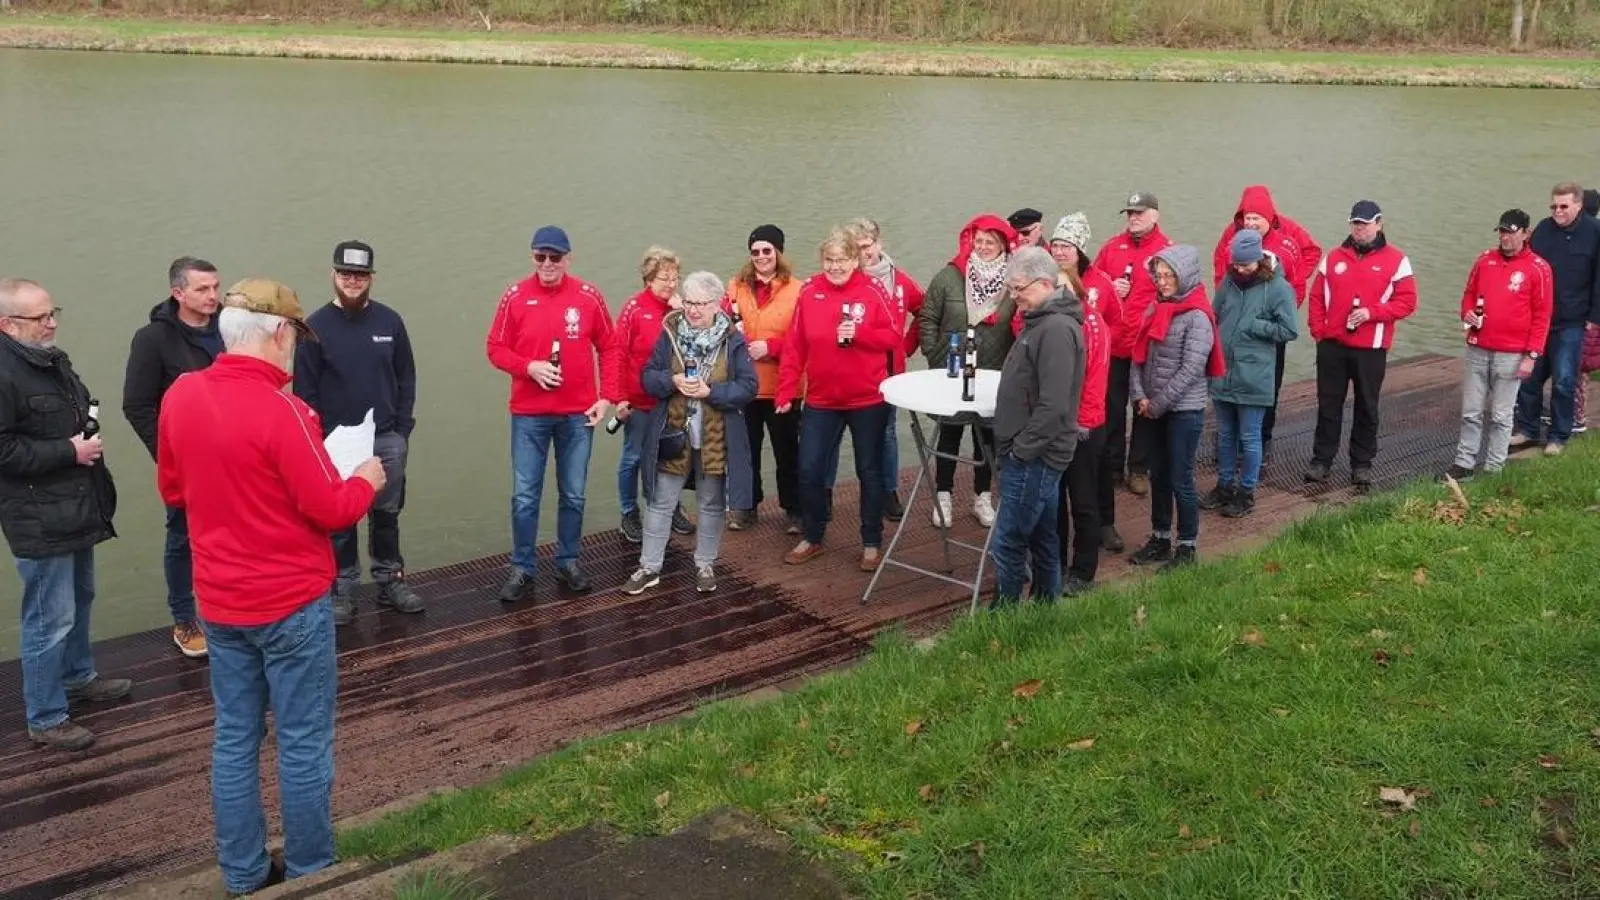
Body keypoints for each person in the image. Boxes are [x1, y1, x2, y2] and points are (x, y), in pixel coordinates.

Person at [158, 278, 383, 897]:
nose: (293, 353)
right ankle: (312, 871)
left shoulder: (181, 395)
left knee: (234, 737)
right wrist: (366, 478)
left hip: (221, 606)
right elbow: (331, 508)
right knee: (303, 743)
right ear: (280, 334)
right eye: (293, 339)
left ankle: (243, 873)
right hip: (290, 605)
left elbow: (173, 492)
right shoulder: (285, 410)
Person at [0, 278, 128, 752]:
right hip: (38, 515)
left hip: (75, 504)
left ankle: (78, 678)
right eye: (40, 318)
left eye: (54, 312)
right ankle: (46, 716)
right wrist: (67, 451)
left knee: (81, 596)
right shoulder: (4, 372)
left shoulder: (51, 360)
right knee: (47, 617)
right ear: (7, 324)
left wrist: (82, 434)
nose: (52, 323)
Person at [294, 240, 422, 625]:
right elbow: (305, 393)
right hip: (336, 443)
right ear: (333, 276)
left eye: (360, 276)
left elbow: (407, 378)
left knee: (387, 514)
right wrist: (320, 442)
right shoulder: (314, 328)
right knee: (340, 519)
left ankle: (389, 579)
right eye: (346, 274)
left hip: (386, 439)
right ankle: (342, 588)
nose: (353, 282)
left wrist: (401, 431)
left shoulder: (390, 323)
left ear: (371, 279)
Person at [486, 226, 616, 602]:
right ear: (532, 257)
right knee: (525, 496)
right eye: (540, 257)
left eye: (554, 257)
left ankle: (568, 561)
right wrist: (529, 368)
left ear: (568, 259)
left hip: (578, 414)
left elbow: (610, 347)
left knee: (573, 494)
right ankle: (523, 567)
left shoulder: (589, 297)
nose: (547, 264)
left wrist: (607, 396)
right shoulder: (514, 297)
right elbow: (494, 348)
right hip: (529, 414)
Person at [621, 272, 757, 596]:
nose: (692, 310)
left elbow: (749, 387)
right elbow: (648, 377)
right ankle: (649, 567)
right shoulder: (669, 335)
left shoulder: (733, 340)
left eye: (700, 303)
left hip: (715, 437)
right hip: (673, 434)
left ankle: (705, 564)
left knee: (710, 503)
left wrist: (712, 391)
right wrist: (673, 382)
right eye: (689, 302)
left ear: (717, 303)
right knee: (659, 501)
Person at [776, 229, 899, 570]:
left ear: (855, 260)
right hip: (821, 401)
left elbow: (892, 337)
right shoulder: (809, 292)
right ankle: (813, 536)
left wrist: (860, 333)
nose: (835, 267)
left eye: (842, 260)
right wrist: (786, 390)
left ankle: (871, 542)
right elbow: (794, 346)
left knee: (869, 472)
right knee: (810, 469)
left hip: (867, 401)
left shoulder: (872, 290)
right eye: (829, 260)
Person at [122, 256, 221, 658]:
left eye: (216, 287)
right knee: (182, 538)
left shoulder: (230, 329)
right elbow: (137, 406)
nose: (213, 296)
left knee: (235, 532)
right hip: (186, 464)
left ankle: (229, 609)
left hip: (237, 457)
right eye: (202, 289)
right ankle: (184, 617)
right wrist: (169, 458)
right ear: (177, 293)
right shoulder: (152, 340)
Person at [988, 247, 1085, 606]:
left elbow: (1055, 404)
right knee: (1044, 535)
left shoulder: (1056, 329)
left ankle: (1004, 619)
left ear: (1045, 284)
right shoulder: (1040, 322)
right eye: (1011, 290)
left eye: (1020, 289)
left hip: (1036, 456)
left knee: (1009, 539)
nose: (1014, 298)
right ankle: (1046, 607)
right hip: (1033, 452)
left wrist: (1021, 450)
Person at [915, 214, 1020, 529]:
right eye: (979, 241)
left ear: (1002, 245)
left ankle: (982, 496)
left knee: (986, 436)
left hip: (994, 369)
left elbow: (1021, 323)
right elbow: (927, 317)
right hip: (953, 367)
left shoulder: (1014, 280)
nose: (984, 247)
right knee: (949, 432)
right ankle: (943, 495)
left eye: (991, 242)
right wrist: (935, 354)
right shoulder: (949, 277)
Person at [1305, 200, 1419, 487]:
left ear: (1379, 224)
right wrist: (1318, 331)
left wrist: (1371, 313)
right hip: (1332, 345)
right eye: (1356, 223)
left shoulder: (1397, 260)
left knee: (1367, 406)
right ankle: (1322, 460)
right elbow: (1316, 297)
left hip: (1371, 347)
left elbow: (1407, 302)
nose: (1360, 229)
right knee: (1328, 405)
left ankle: (1362, 464)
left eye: (1365, 224)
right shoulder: (1333, 258)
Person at [1128, 246, 1224, 571]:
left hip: (1183, 410)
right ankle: (1159, 537)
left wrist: (1155, 404)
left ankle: (1186, 547)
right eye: (1159, 275)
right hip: (1153, 407)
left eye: (1170, 276)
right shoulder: (1155, 307)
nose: (1163, 282)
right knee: (1159, 475)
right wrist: (1139, 395)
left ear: (1186, 277)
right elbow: (1138, 355)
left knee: (1181, 478)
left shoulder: (1197, 316)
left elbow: (1191, 370)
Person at [1209, 185, 1323, 454]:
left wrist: (1284, 300)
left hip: (1270, 324)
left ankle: (1263, 435)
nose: (1250, 223)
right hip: (1235, 319)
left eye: (1256, 218)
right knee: (1227, 373)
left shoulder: (1287, 237)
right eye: (1246, 217)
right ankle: (1230, 435)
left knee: (1268, 379)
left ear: (1269, 218)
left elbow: (1308, 258)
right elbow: (1219, 265)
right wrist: (1224, 300)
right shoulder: (1231, 234)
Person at [1442, 210, 1553, 481]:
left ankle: (1494, 469)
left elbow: (1542, 315)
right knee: (1471, 411)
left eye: (1511, 232)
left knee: (1502, 416)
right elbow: (1469, 294)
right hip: (1478, 347)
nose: (1505, 237)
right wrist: (1467, 314)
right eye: (1502, 231)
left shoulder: (1538, 268)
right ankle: (1464, 464)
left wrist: (1532, 355)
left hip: (1512, 353)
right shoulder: (1485, 260)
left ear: (1525, 234)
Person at [1042, 212, 1126, 554]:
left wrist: (1096, 355)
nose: (1060, 252)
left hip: (1095, 386)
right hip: (1059, 390)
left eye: (1067, 247)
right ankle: (1058, 553)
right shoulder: (1044, 279)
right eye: (1056, 246)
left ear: (1081, 251)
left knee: (1097, 464)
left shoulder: (1101, 284)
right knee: (1065, 481)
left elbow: (1118, 325)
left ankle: (1105, 523)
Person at [1201, 230, 1298, 518]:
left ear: (1258, 260)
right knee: (1226, 435)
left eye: (1244, 265)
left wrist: (1257, 327)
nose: (1239, 269)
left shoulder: (1279, 288)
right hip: (1224, 372)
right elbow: (1213, 315)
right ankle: (1225, 485)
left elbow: (1289, 330)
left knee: (1250, 436)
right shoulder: (1230, 282)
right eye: (1236, 265)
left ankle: (1247, 492)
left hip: (1254, 375)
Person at [608, 247, 694, 543]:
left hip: (671, 398)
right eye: (663, 278)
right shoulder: (634, 309)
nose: (671, 283)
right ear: (648, 280)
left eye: (674, 277)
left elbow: (697, 345)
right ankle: (629, 512)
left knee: (671, 456)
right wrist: (618, 397)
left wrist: (683, 311)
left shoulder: (680, 311)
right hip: (639, 401)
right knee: (633, 457)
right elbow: (617, 353)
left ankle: (670, 508)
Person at [1094, 191, 1173, 499]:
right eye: (1129, 213)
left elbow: (1178, 294)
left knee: (1144, 409)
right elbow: (1092, 286)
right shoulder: (1112, 248)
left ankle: (1138, 468)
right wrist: (1110, 287)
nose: (1133, 218)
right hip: (1114, 344)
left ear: (1155, 214)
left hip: (1147, 347)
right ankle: (1112, 466)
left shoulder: (1168, 252)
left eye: (1139, 213)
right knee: (1111, 408)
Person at [725, 225, 804, 534]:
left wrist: (771, 347)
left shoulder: (798, 290)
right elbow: (721, 327)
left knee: (787, 450)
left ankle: (794, 509)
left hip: (784, 386)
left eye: (767, 251)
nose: (761, 257)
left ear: (778, 253)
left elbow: (804, 339)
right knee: (746, 451)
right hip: (745, 387)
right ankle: (746, 506)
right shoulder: (735, 287)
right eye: (755, 251)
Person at [1512, 182, 1600, 456]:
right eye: (1554, 206)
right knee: (1529, 378)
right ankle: (1527, 429)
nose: (1558, 211)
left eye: (1564, 206)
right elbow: (1527, 267)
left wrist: (1594, 318)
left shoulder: (1595, 233)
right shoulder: (1543, 229)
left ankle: (1559, 436)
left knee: (1564, 380)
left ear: (1578, 205)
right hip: (1539, 319)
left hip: (1573, 322)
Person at [846, 218, 923, 521]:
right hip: (852, 372)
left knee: (888, 434)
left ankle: (889, 491)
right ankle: (829, 494)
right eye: (857, 248)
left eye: (867, 246)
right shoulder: (844, 279)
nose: (864, 253)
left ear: (878, 243)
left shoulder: (900, 281)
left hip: (890, 374)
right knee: (846, 435)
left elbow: (924, 312)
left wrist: (906, 347)